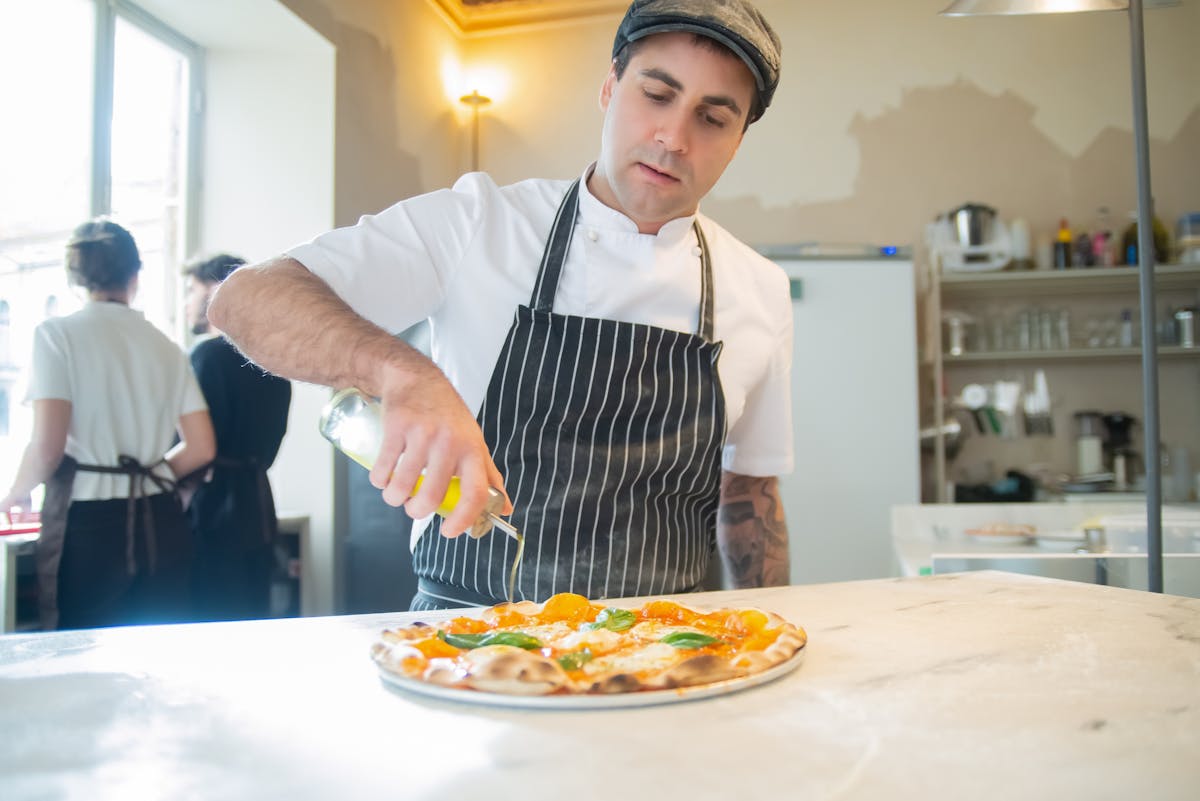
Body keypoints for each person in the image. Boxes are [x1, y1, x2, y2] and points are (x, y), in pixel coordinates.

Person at [210, 0, 792, 611]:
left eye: (713, 117)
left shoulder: (759, 288)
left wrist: (775, 631)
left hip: (666, 654)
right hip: (466, 645)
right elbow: (245, 300)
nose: (673, 138)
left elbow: (749, 491)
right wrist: (401, 372)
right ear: (610, 88)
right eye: (656, 94)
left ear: (738, 140)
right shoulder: (478, 222)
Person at [0, 220, 215, 630]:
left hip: (90, 526)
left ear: (73, 278)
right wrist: (150, 474)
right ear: (135, 276)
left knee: (81, 654)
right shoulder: (166, 346)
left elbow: (47, 446)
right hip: (162, 522)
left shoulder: (56, 335)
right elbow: (202, 447)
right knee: (158, 657)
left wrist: (15, 493)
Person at [182, 253, 291, 621]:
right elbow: (272, 448)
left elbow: (193, 446)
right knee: (252, 617)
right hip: (259, 504)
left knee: (209, 620)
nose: (187, 302)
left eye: (192, 290)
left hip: (213, 508)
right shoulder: (277, 363)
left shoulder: (207, 357)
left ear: (217, 291)